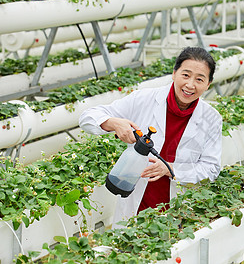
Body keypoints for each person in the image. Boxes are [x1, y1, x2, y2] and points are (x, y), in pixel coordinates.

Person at [79, 46, 223, 225]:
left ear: (208, 84)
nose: (190, 85)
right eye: (185, 75)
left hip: (179, 208)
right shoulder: (144, 99)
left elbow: (211, 168)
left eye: (199, 79)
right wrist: (113, 123)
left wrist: (170, 169)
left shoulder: (211, 119)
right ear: (174, 73)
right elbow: (87, 117)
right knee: (128, 246)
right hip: (135, 201)